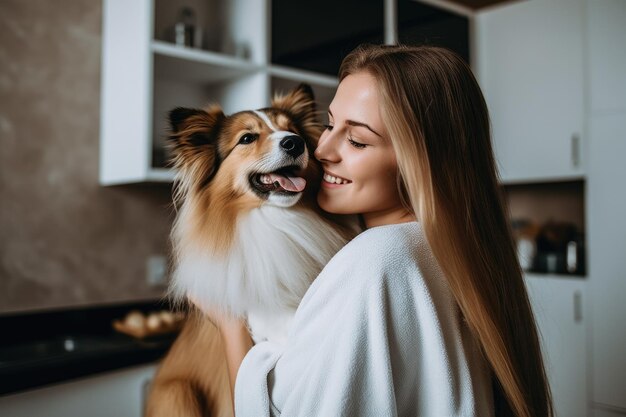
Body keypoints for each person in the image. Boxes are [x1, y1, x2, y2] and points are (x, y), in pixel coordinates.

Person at [193, 44, 553, 417]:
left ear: (419, 161)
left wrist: (229, 325)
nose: (320, 150)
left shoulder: (373, 261)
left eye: (358, 140)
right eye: (330, 125)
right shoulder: (446, 248)